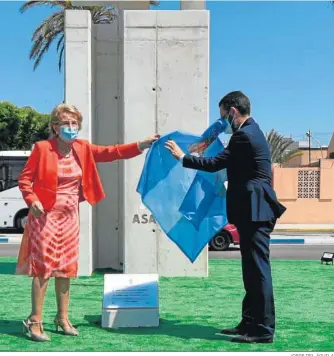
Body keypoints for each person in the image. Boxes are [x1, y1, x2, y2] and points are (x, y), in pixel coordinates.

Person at [16, 103, 159, 342]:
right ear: (55, 127)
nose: (71, 128)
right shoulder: (42, 148)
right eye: (65, 123)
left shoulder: (81, 148)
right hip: (45, 217)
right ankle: (34, 321)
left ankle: (62, 318)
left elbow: (110, 152)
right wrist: (32, 200)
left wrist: (140, 145)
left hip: (71, 217)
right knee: (43, 269)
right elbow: (25, 180)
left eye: (75, 123)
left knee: (66, 268)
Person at [165, 91, 286, 344]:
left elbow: (216, 163)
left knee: (258, 270)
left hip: (255, 208)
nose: (221, 122)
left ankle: (262, 329)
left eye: (223, 116)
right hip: (250, 209)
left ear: (232, 111)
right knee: (250, 269)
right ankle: (248, 323)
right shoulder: (251, 131)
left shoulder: (244, 135)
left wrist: (182, 157)